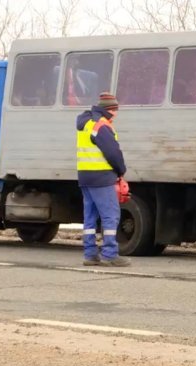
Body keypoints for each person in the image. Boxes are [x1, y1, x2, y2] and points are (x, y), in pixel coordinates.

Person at [76, 92, 130, 267]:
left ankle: (90, 254)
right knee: (110, 216)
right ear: (111, 110)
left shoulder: (85, 123)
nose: (116, 114)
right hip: (102, 177)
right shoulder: (102, 126)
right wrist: (121, 171)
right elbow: (113, 153)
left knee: (90, 217)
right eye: (116, 110)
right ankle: (109, 254)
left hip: (85, 176)